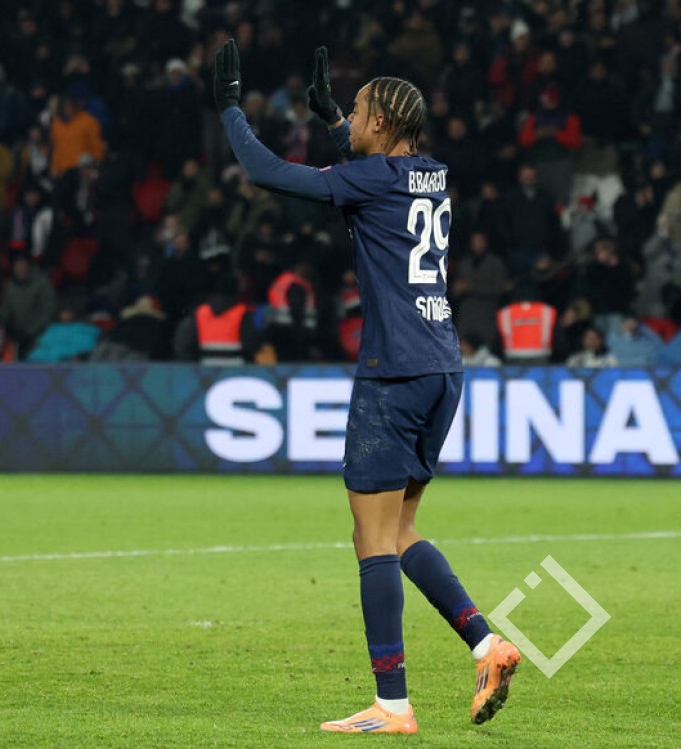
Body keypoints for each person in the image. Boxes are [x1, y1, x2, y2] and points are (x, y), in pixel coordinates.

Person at [215, 41, 521, 735]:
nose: (349, 118)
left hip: (394, 372)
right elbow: (370, 178)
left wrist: (230, 109)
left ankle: (393, 704)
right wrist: (330, 119)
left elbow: (266, 172)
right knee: (400, 529)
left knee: (371, 538)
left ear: (380, 123)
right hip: (441, 367)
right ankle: (486, 645)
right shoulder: (430, 176)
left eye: (356, 111)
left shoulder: (375, 180)